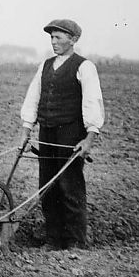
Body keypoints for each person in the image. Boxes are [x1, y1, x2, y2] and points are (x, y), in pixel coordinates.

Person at [18, 19, 105, 249]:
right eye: (51, 38)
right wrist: (27, 131)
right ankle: (53, 238)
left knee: (69, 185)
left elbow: (92, 103)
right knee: (47, 185)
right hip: (46, 131)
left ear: (73, 39)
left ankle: (75, 241)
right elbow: (33, 98)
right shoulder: (45, 66)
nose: (53, 42)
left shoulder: (84, 67)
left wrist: (89, 138)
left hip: (70, 133)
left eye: (58, 37)